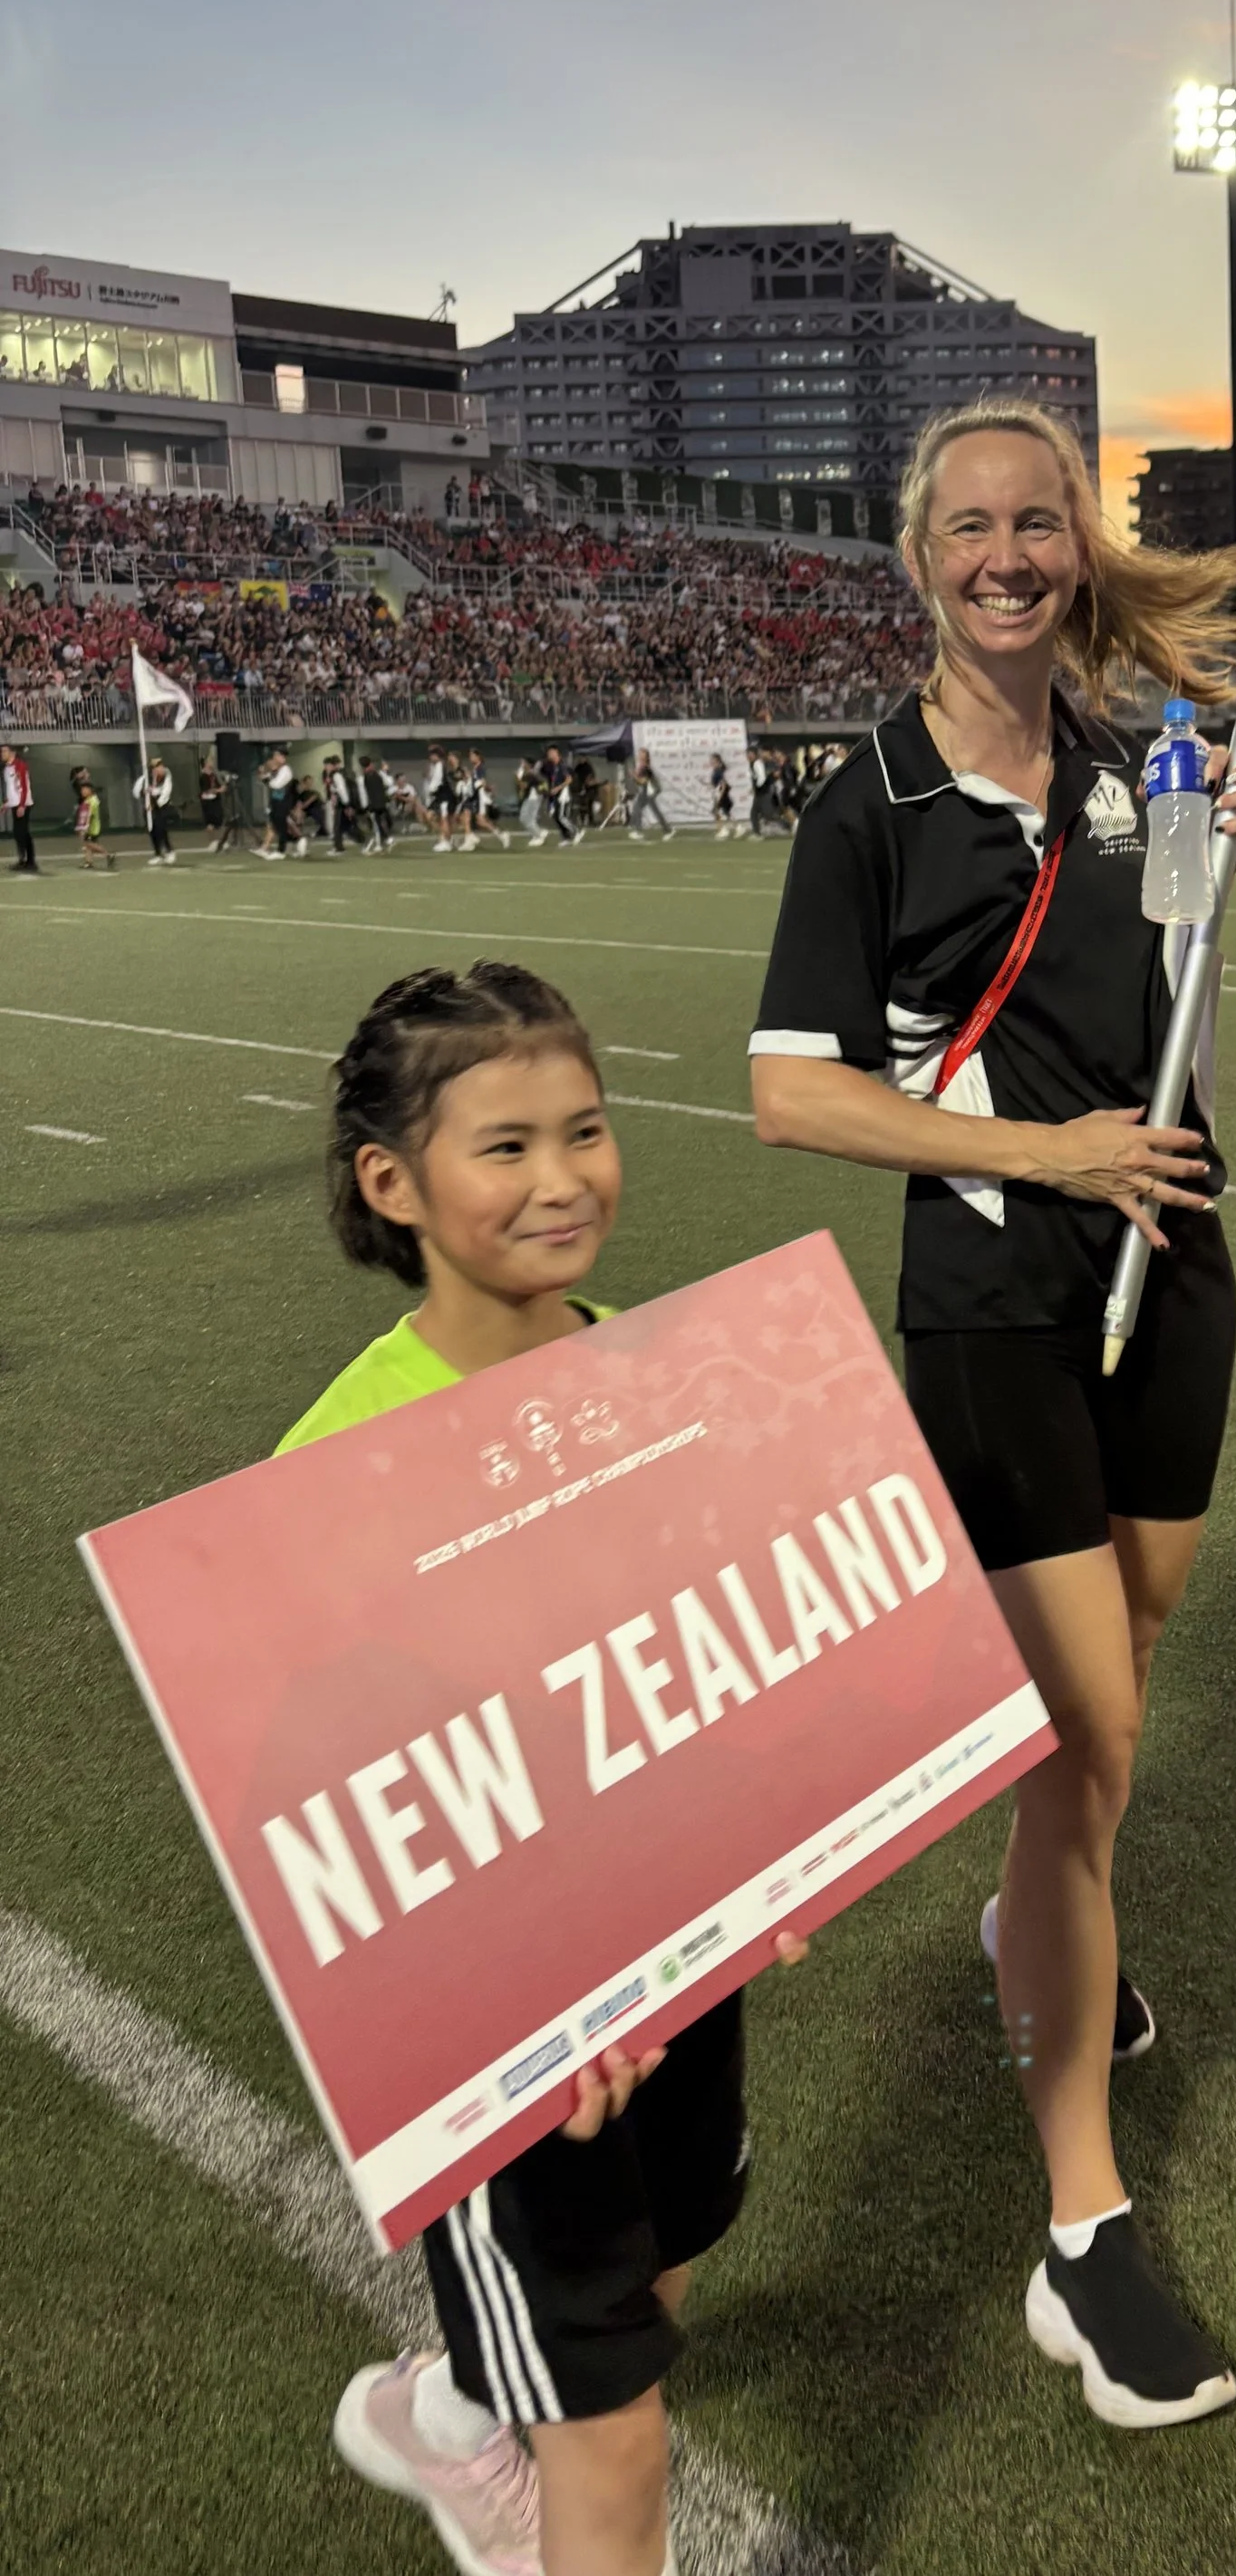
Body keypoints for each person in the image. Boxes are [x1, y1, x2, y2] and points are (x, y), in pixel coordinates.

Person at [750, 397, 1236, 2429]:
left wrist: (1212, 874)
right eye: (965, 526)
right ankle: (1080, 2236)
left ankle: (1029, 1926)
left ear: (1076, 545)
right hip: (991, 1290)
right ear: (918, 556)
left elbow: (1169, 1017)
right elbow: (795, 1089)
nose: (1002, 554)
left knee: (1125, 1671)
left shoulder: (1142, 763)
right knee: (1084, 1751)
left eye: (1034, 521)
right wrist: (1046, 1161)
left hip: (1177, 1258)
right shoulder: (863, 798)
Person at [288, 963, 779, 2576]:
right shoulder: (338, 1465)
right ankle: (501, 2422)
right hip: (517, 2039)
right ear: (393, 1180)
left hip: (681, 1957)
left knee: (678, 2252)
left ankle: (452, 2410)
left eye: (586, 1128)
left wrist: (797, 1845)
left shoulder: (653, 1361)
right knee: (618, 2436)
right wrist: (531, 2012)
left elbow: (715, 1656)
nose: (564, 1175)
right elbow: (346, 1811)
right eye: (505, 1145)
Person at [132, 752, 179, 865]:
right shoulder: (145, 778)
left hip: (162, 808)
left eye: (160, 767)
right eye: (156, 768)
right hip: (149, 810)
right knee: (152, 831)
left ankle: (169, 851)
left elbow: (165, 793)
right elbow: (136, 792)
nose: (159, 770)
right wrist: (144, 792)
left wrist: (153, 795)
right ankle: (158, 854)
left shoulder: (167, 776)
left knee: (161, 829)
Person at [71, 763, 116, 870]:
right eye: (82, 790)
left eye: (85, 790)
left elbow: (89, 816)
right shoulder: (88, 800)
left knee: (89, 844)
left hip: (92, 827)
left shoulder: (92, 801)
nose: (82, 792)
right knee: (87, 844)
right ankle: (88, 862)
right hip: (91, 826)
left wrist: (84, 828)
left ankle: (108, 855)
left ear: (90, 790)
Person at [5, 741, 39, 873]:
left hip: (22, 805)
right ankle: (26, 861)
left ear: (12, 752)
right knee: (21, 833)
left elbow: (24, 786)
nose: (2, 754)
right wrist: (6, 804)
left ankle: (28, 861)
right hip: (14, 804)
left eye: (4, 751)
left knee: (21, 833)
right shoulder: (7, 768)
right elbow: (11, 789)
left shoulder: (20, 766)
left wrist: (22, 805)